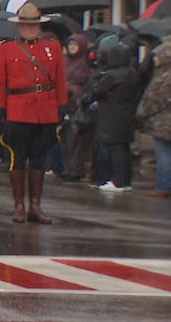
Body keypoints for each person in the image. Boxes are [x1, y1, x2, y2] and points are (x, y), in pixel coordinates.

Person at [0, 0, 68, 224]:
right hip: (17, 111)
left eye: (34, 24)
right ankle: (19, 206)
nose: (30, 28)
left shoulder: (52, 48)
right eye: (26, 24)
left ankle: (35, 205)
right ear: (19, 26)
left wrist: (61, 107)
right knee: (17, 159)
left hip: (45, 112)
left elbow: (61, 80)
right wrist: (0, 110)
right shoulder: (6, 49)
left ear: (40, 25)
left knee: (39, 160)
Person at [87, 39, 141, 192]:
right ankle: (125, 180)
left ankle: (116, 180)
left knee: (113, 149)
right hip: (126, 113)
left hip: (110, 115)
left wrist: (98, 79)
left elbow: (97, 91)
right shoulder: (132, 73)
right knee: (123, 148)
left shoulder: (111, 75)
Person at [137, 41, 171, 198]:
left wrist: (142, 113)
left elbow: (152, 99)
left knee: (164, 155)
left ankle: (163, 186)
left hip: (163, 123)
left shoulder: (163, 77)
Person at [60, 33, 95, 181]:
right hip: (64, 106)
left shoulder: (84, 64)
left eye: (75, 45)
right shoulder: (65, 61)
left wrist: (69, 87)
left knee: (76, 141)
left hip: (78, 108)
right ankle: (67, 168)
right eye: (70, 45)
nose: (72, 48)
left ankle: (76, 170)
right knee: (65, 139)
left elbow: (85, 84)